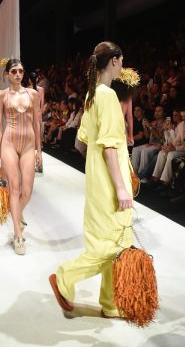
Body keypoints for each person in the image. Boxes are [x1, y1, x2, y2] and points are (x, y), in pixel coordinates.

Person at [49, 41, 133, 319]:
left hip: (98, 178)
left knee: (113, 241)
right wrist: (120, 186)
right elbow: (109, 146)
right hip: (109, 181)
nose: (123, 66)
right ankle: (65, 277)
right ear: (114, 61)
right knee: (113, 244)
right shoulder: (107, 96)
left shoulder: (92, 94)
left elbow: (82, 142)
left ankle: (111, 303)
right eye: (122, 61)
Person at [0, 58, 42, 255]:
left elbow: (37, 123)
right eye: (14, 71)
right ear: (7, 74)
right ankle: (18, 235)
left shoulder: (33, 94)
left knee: (27, 191)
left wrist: (39, 150)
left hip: (29, 144)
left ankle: (16, 214)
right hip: (9, 144)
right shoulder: (1, 95)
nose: (18, 74)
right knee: (14, 188)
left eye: (21, 71)